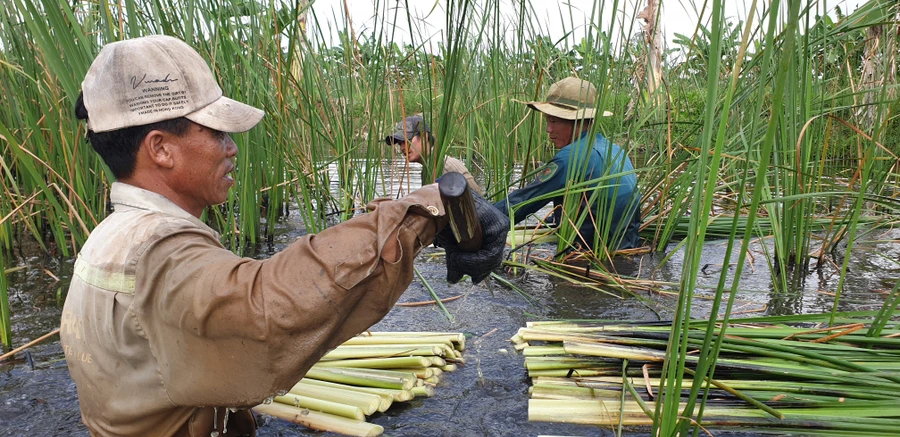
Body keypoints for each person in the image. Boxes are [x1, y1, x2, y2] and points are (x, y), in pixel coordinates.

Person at [59, 35, 506, 437]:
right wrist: (425, 211)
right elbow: (270, 306)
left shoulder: (112, 236)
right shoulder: (157, 249)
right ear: (160, 148)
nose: (231, 147)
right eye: (215, 132)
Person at [495, 77, 641, 251]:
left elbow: (523, 202)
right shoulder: (616, 151)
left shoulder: (571, 158)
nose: (548, 130)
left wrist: (481, 220)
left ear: (578, 121)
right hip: (626, 251)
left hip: (590, 256)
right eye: (548, 121)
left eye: (554, 121)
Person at [385, 115, 483, 195]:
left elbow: (477, 205)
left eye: (407, 140)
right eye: (399, 143)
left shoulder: (444, 166)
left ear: (424, 136)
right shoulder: (428, 168)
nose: (402, 147)